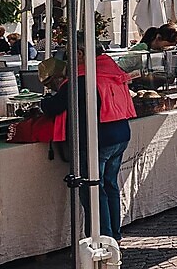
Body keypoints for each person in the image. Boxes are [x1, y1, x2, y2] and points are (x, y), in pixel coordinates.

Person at [21, 52, 137, 243]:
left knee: (93, 190)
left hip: (97, 138)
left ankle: (102, 239)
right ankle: (113, 236)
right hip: (119, 134)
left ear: (81, 53)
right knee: (109, 185)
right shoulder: (108, 69)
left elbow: (54, 106)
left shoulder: (80, 78)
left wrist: (43, 101)